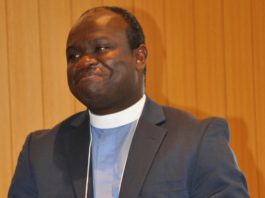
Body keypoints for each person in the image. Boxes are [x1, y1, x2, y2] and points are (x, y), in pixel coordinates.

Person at [9, 6, 249, 198]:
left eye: (101, 48)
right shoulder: (39, 152)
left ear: (140, 56)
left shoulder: (196, 139)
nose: (85, 61)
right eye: (74, 55)